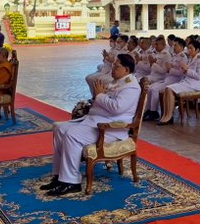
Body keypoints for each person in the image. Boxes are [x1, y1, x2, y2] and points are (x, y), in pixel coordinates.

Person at [40, 53, 141, 196]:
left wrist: (99, 95)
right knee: (59, 127)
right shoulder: (117, 81)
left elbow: (117, 108)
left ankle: (71, 181)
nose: (113, 69)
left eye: (116, 67)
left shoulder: (131, 86)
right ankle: (59, 176)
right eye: (113, 66)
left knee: (72, 134)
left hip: (111, 129)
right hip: (95, 121)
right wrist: (97, 97)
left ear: (126, 69)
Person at [159, 38, 200, 124]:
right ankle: (165, 115)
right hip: (187, 82)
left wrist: (186, 70)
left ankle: (169, 117)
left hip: (195, 85)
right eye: (188, 48)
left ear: (197, 50)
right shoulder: (190, 58)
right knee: (167, 89)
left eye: (191, 48)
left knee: (169, 90)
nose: (189, 50)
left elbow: (199, 76)